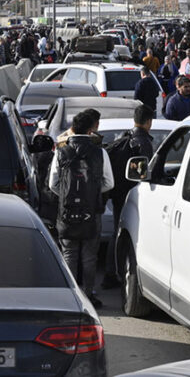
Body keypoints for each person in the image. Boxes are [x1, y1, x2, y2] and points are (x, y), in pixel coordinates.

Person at [48, 111, 114, 309]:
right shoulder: (99, 152)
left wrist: (68, 196)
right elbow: (109, 183)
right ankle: (88, 296)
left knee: (69, 252)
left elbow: (53, 183)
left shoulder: (61, 150)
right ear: (91, 128)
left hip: (67, 212)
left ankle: (70, 295)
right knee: (89, 255)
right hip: (91, 212)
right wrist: (91, 194)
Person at [102, 104, 155, 289]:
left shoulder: (125, 137)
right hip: (133, 196)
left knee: (117, 232)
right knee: (128, 235)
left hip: (118, 193)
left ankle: (111, 272)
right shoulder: (144, 143)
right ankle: (115, 273)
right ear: (149, 122)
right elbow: (145, 175)